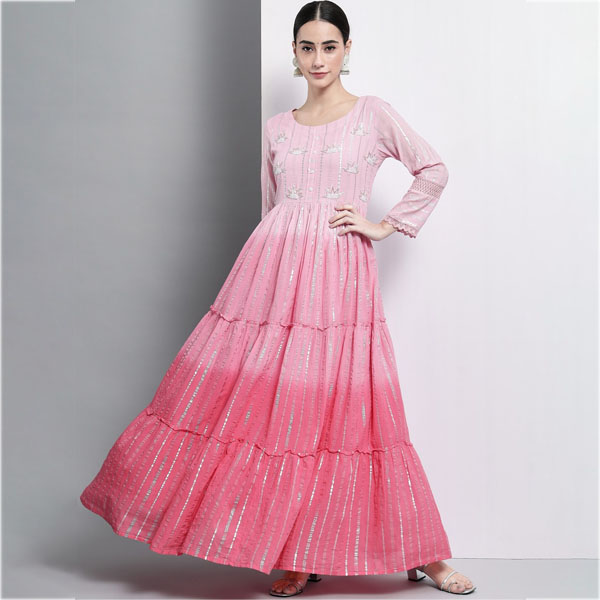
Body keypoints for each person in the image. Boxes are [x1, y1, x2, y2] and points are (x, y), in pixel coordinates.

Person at [80, 0, 476, 596]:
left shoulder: (372, 114)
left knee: (357, 412)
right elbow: (272, 210)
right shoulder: (276, 128)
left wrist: (383, 226)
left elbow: (433, 169)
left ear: (347, 50)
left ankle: (426, 554)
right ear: (294, 52)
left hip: (340, 275)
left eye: (329, 47)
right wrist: (269, 284)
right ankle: (297, 554)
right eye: (307, 47)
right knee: (282, 411)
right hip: (271, 277)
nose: (318, 59)